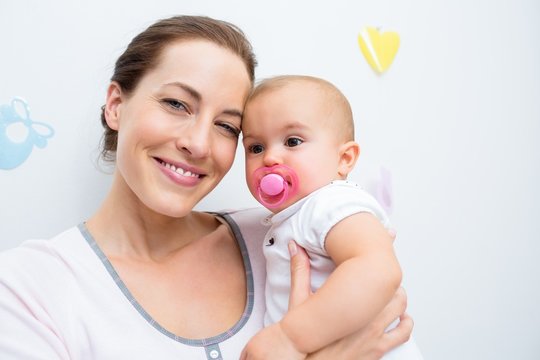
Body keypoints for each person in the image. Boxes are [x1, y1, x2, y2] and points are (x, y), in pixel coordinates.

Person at [0, 16, 413, 359]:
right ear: (115, 105)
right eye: (177, 104)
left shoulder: (294, 232)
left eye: (226, 126)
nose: (198, 144)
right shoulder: (27, 289)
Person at [240, 75, 423, 359]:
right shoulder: (297, 215)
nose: (270, 158)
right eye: (256, 147)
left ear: (345, 159)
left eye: (292, 141)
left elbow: (378, 269)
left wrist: (290, 338)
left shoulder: (331, 202)